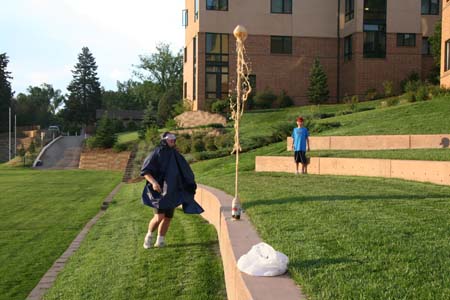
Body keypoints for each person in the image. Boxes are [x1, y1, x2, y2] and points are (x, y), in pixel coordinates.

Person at [140, 132, 203, 249]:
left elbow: (183, 169)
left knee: (168, 217)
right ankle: (148, 237)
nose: (173, 142)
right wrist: (154, 183)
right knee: (159, 217)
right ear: (164, 140)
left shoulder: (175, 154)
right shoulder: (156, 153)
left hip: (172, 190)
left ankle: (160, 240)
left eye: (174, 139)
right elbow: (145, 171)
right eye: (170, 140)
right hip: (159, 190)